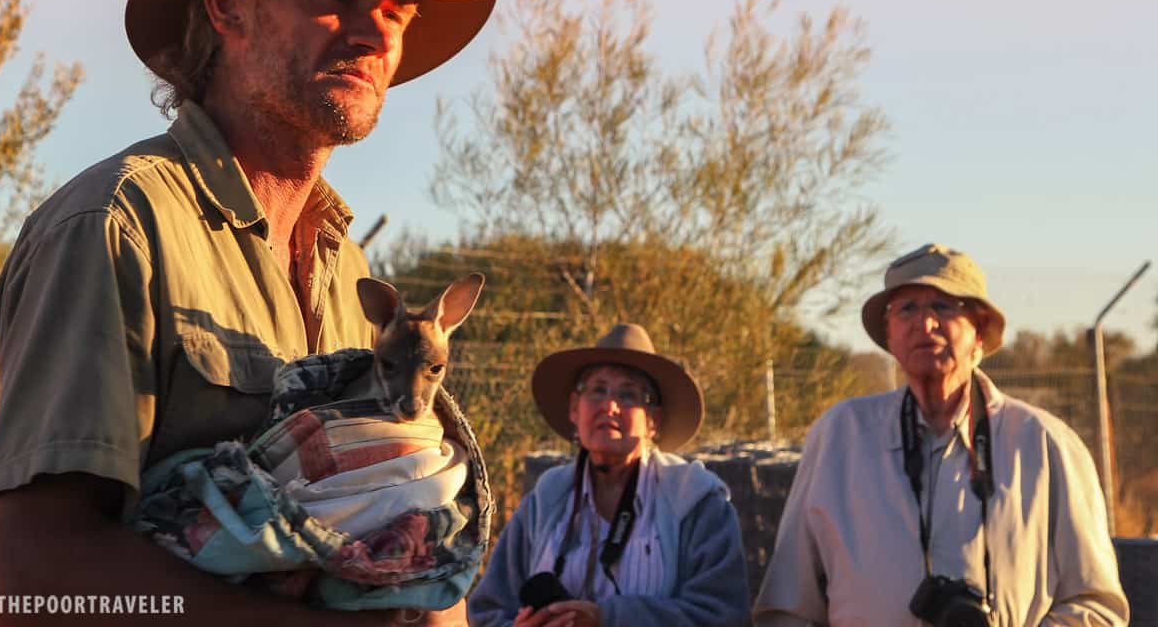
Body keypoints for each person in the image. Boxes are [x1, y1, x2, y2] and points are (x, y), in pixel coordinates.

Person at [0, 0, 495, 626]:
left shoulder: (346, 268)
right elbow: (30, 584)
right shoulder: (114, 227)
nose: (373, 33)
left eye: (395, 12)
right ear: (228, 7)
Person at [754, 244, 1130, 626]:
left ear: (979, 332)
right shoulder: (840, 436)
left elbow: (1097, 606)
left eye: (943, 307)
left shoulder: (1045, 443)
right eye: (907, 309)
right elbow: (787, 608)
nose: (925, 323)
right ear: (890, 334)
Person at [468, 323, 751, 627]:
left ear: (653, 420)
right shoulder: (545, 502)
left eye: (628, 395)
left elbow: (723, 616)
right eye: (597, 390)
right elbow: (487, 611)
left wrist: (608, 619)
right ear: (575, 410)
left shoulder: (694, 501)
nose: (610, 405)